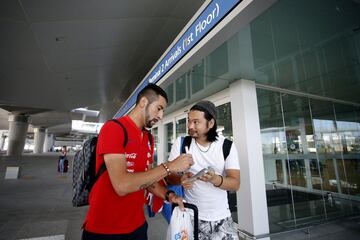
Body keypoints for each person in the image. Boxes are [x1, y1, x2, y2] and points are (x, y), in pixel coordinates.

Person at [82, 83, 194, 240]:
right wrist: (170, 166)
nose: (161, 116)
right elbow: (121, 185)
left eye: (163, 111)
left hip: (138, 226)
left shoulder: (148, 138)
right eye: (159, 108)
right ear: (143, 102)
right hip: (104, 229)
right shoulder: (113, 129)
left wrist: (168, 195)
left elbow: (148, 180)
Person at [166, 100, 240, 240]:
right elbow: (169, 177)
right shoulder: (181, 143)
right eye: (189, 121)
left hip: (222, 219)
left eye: (196, 122)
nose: (190, 126)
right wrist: (181, 179)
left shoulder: (226, 146)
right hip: (191, 215)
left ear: (210, 123)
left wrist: (214, 179)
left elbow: (235, 183)